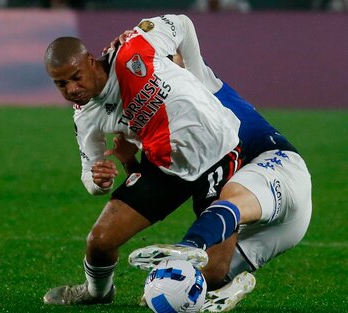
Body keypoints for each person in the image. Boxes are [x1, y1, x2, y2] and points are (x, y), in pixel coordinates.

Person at [43, 14, 312, 311]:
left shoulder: (135, 46)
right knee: (99, 241)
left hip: (219, 153)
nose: (71, 89)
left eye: (75, 77)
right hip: (164, 167)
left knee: (214, 271)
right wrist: (98, 179)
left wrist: (200, 83)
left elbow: (183, 24)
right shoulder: (86, 116)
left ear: (91, 62)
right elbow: (89, 177)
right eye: (61, 84)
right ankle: (97, 292)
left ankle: (210, 276)